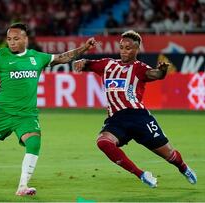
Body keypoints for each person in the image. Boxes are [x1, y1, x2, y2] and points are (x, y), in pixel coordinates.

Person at [0, 23, 96, 196]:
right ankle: (2, 134)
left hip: (26, 115)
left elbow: (62, 57)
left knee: (34, 142)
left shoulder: (37, 57)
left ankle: (23, 186)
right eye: (9, 39)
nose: (12, 43)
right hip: (2, 114)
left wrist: (84, 48)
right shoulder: (1, 56)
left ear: (25, 39)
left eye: (16, 39)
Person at [73, 30, 197, 188]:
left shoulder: (139, 68)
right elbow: (87, 64)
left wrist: (163, 70)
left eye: (128, 48)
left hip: (139, 117)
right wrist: (81, 62)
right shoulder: (108, 64)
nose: (124, 51)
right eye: (122, 47)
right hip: (116, 119)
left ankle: (184, 168)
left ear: (137, 50)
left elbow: (156, 74)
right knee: (103, 142)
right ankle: (141, 174)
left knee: (169, 154)